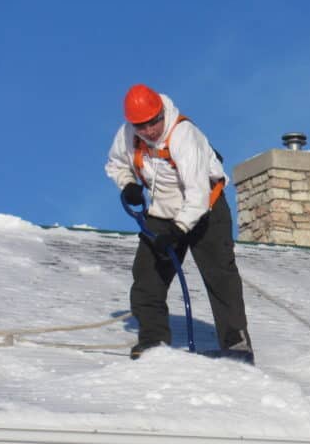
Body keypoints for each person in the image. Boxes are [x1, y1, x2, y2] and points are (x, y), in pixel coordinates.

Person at [105, 83, 253, 363]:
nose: (149, 130)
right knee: (146, 276)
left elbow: (198, 194)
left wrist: (178, 230)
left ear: (161, 113)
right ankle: (153, 342)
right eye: (141, 126)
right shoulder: (128, 135)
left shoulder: (184, 135)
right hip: (162, 211)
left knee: (220, 276)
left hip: (206, 208)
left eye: (153, 122)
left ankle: (236, 345)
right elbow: (115, 164)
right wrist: (128, 185)